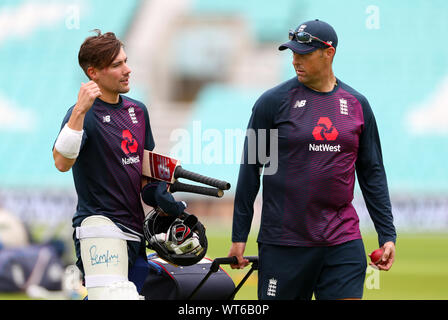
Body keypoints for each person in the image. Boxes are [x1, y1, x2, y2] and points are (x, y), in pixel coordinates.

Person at [228, 19, 397, 300]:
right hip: (284, 244)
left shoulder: (357, 105)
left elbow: (372, 172)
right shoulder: (271, 103)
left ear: (328, 53)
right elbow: (250, 170)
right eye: (293, 54)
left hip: (342, 241)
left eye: (303, 54)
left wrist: (387, 234)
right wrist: (239, 236)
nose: (295, 60)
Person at [52, 30, 186, 299]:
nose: (127, 69)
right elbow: (61, 162)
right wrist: (79, 110)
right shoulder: (82, 114)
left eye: (125, 61)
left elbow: (145, 171)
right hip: (99, 227)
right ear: (93, 72)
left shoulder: (138, 110)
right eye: (117, 65)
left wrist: (161, 196)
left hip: (136, 231)